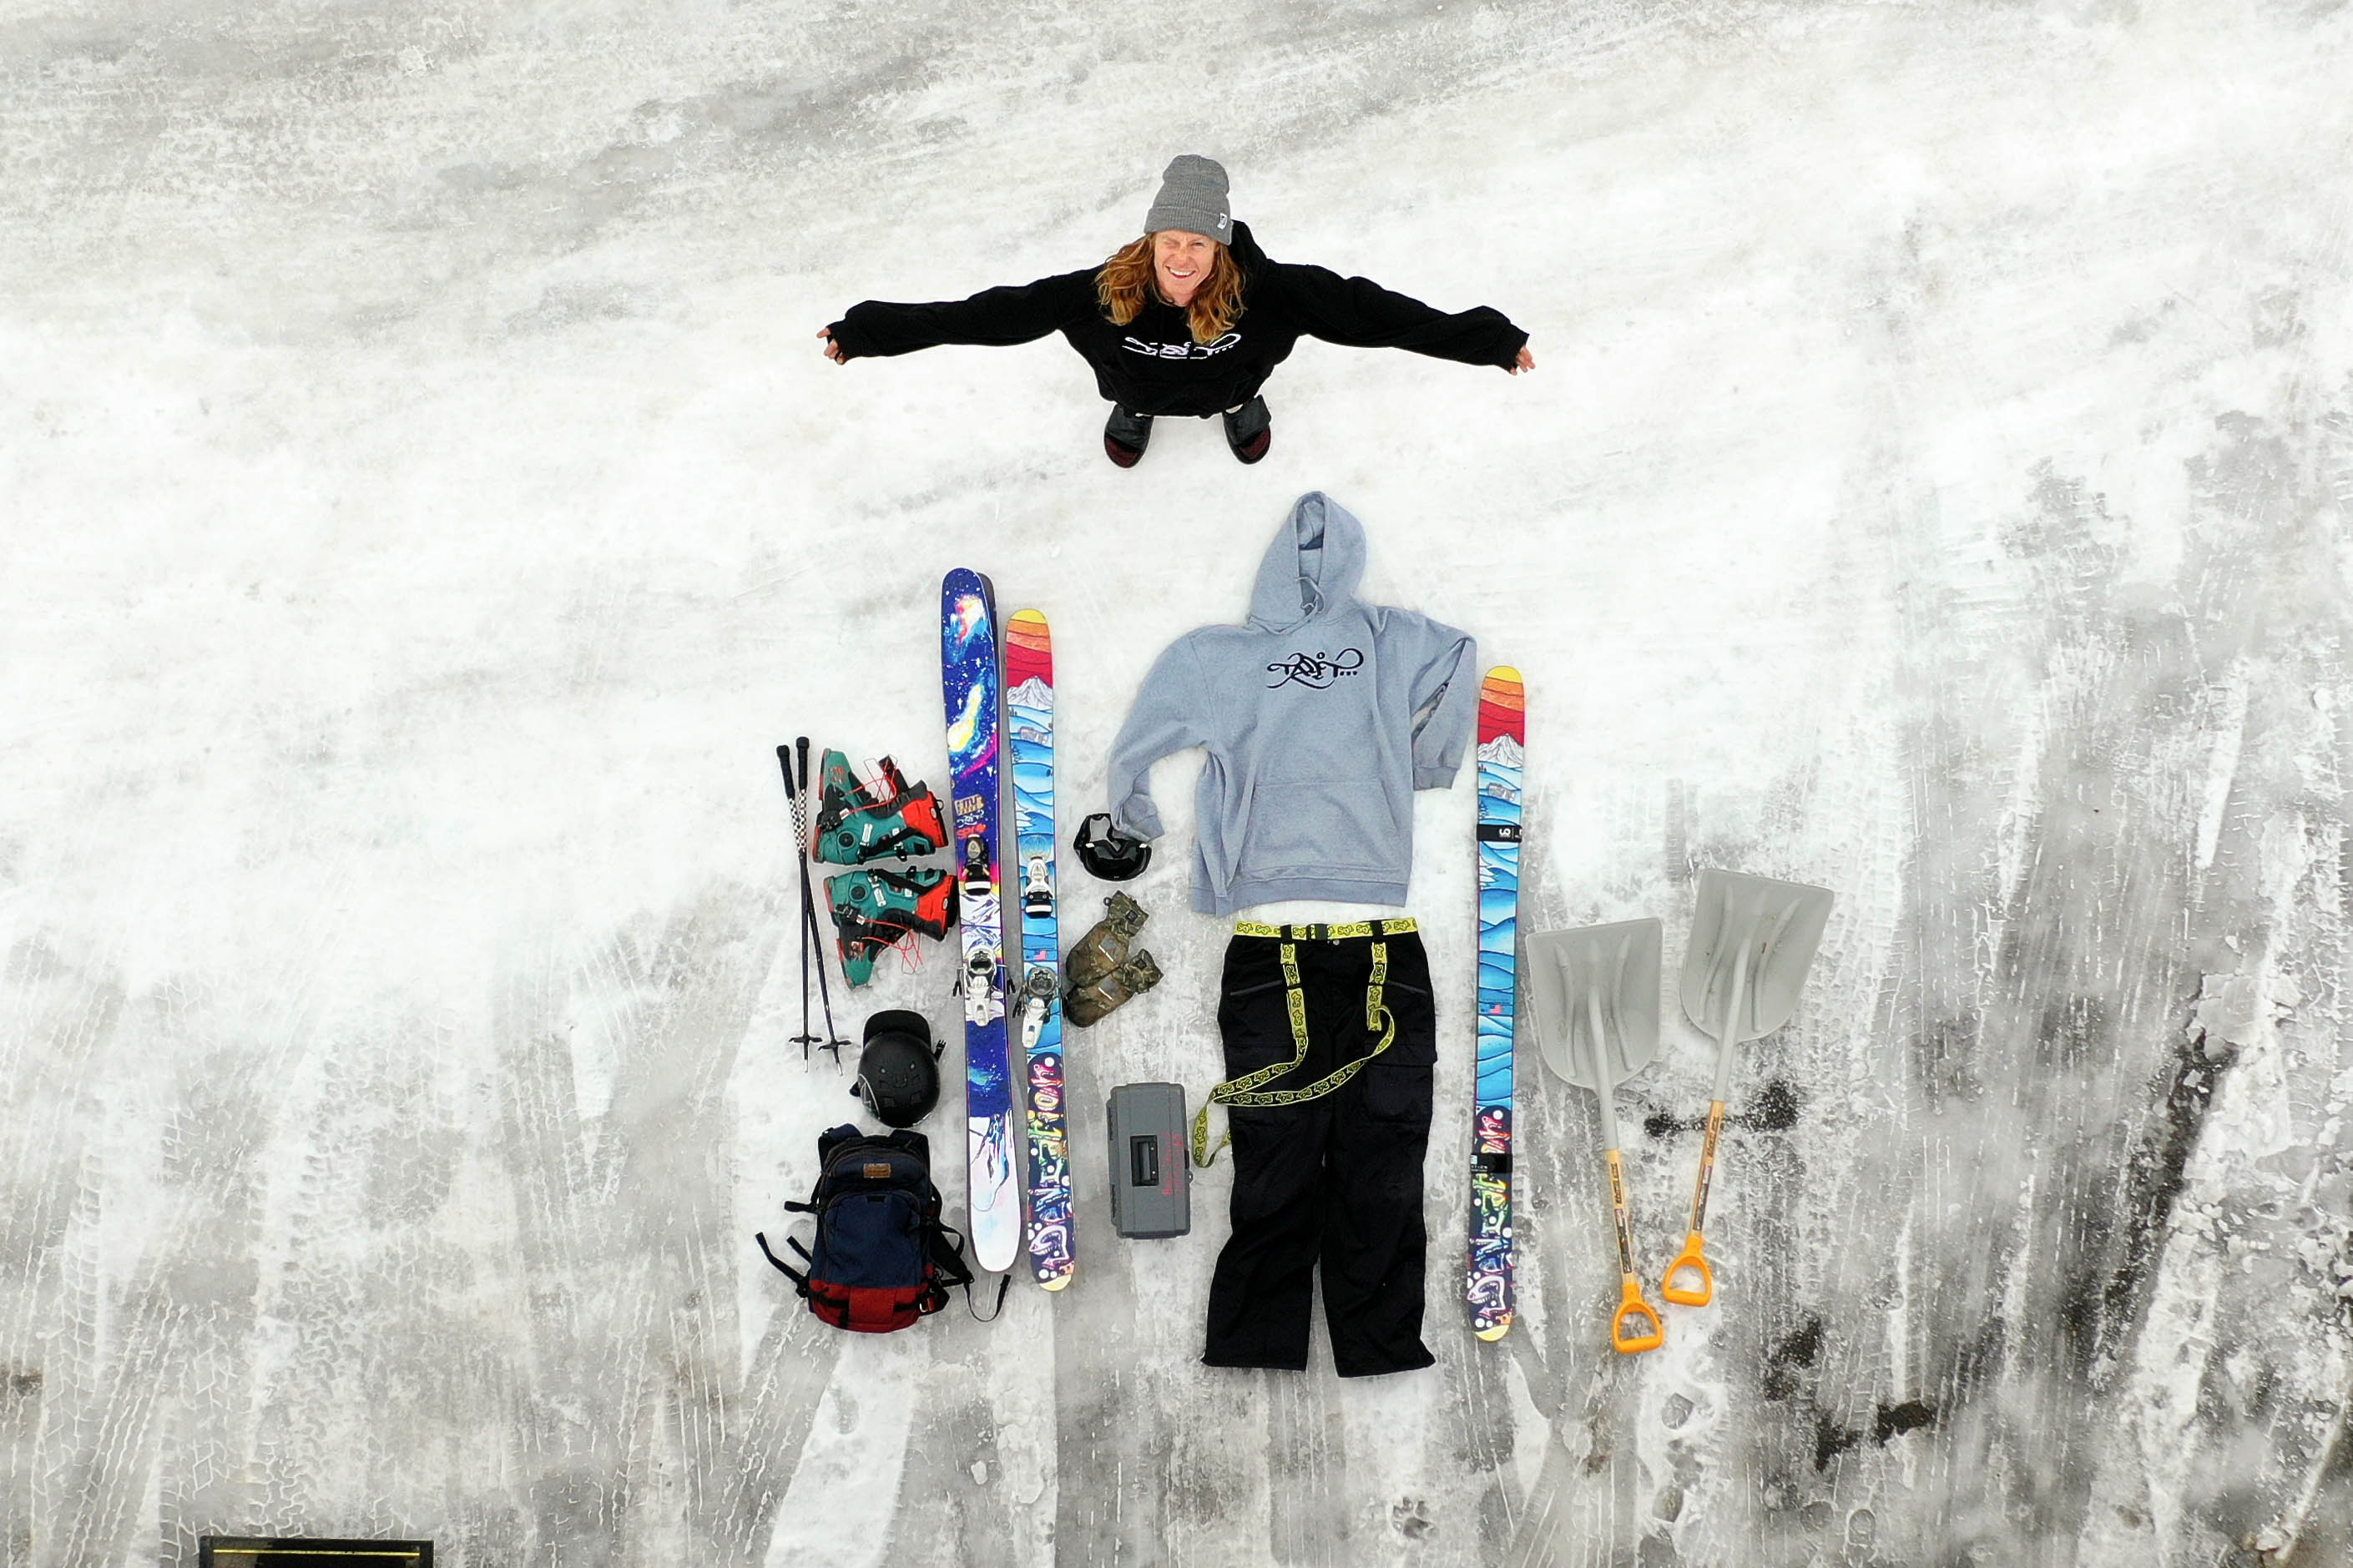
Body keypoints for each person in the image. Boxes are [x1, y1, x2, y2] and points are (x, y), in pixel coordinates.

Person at [818, 155, 1535, 468]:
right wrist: (867, 333)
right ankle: (1135, 412)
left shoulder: (1273, 292)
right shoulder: (1098, 292)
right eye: (1171, 241)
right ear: (1151, 240)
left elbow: (1378, 316)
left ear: (1218, 244)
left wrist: (1491, 342)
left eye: (1199, 243)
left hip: (1232, 381)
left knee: (1239, 387)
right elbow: (980, 317)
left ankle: (1239, 408)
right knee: (1133, 392)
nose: (1183, 258)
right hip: (1134, 384)